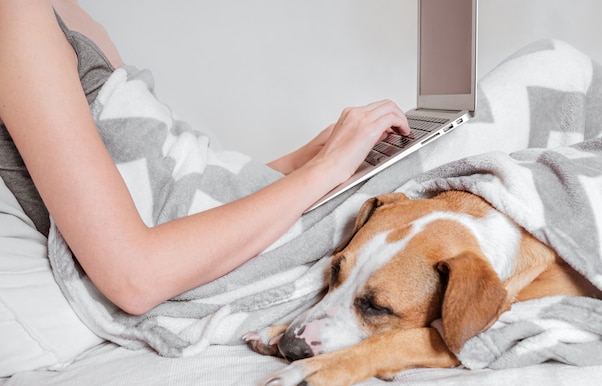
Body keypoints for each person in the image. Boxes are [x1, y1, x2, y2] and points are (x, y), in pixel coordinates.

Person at [0, 0, 410, 315]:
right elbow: (134, 275)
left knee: (436, 160)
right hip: (179, 265)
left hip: (224, 211)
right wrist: (324, 171)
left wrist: (300, 162)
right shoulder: (15, 18)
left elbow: (167, 181)